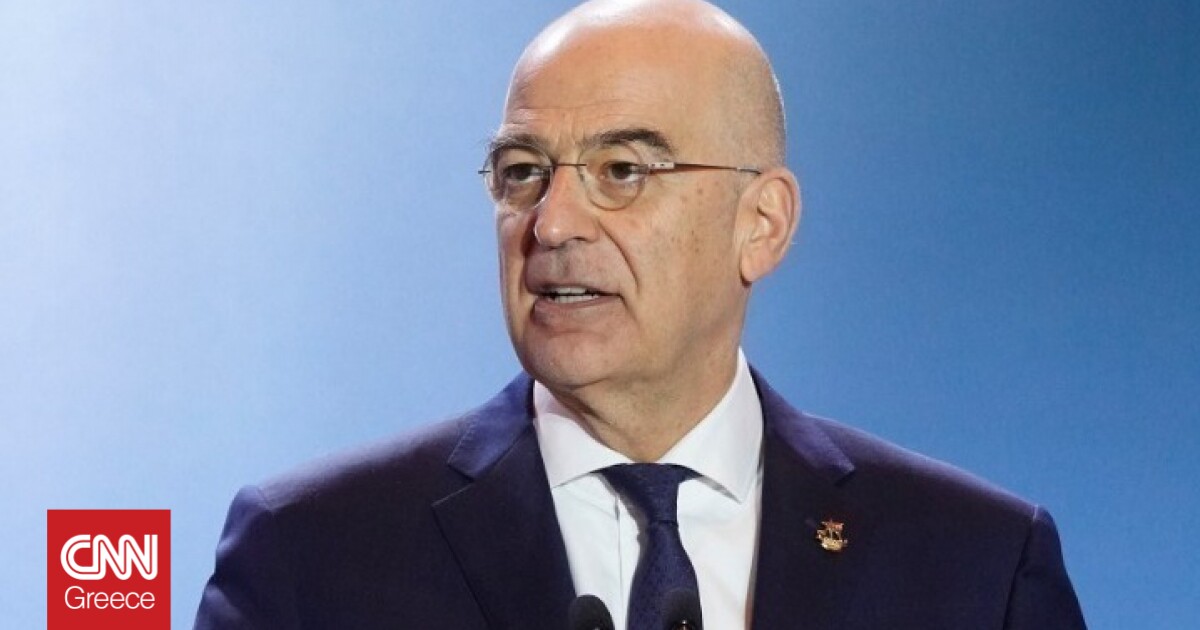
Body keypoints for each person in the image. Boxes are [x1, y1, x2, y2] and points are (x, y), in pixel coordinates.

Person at [194, 1, 1086, 628]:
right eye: (521, 173)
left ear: (762, 224)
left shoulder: (978, 566)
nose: (552, 224)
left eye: (622, 171)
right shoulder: (310, 553)